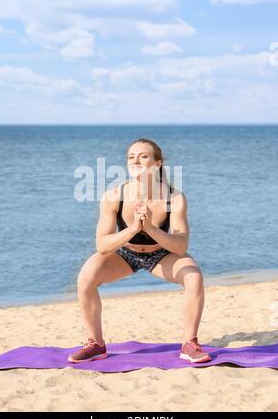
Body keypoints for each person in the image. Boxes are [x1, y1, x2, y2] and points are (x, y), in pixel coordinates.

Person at [68, 138, 211, 364]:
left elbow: (181, 246)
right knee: (86, 277)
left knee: (193, 276)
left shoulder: (174, 198)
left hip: (162, 254)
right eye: (131, 157)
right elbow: (102, 245)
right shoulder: (114, 196)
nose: (135, 160)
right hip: (124, 254)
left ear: (157, 164)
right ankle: (95, 344)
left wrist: (151, 228)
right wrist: (134, 228)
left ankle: (189, 343)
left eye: (143, 156)